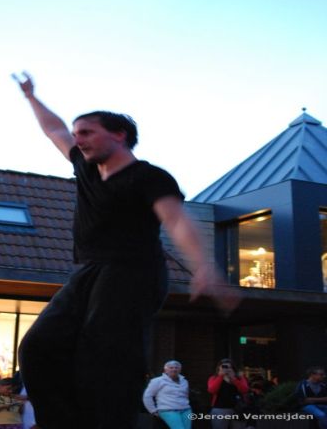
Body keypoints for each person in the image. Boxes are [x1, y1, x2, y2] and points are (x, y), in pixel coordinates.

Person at [14, 72, 240, 429]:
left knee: (106, 354)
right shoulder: (85, 168)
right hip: (88, 271)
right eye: (77, 134)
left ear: (119, 135)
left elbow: (176, 220)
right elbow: (54, 129)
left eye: (87, 132)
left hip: (134, 272)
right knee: (38, 346)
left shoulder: (149, 177)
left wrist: (203, 265)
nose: (78, 140)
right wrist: (31, 97)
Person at [143, 360, 192, 429]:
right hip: (168, 410)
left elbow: (185, 396)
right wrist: (153, 410)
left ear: (180, 370)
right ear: (165, 370)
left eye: (176, 368)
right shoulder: (157, 381)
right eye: (171, 368)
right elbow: (147, 396)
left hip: (186, 410)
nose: (174, 369)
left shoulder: (184, 381)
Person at [207, 358, 249, 429]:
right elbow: (211, 390)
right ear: (219, 368)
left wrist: (233, 378)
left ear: (233, 368)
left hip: (237, 410)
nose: (226, 369)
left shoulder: (239, 378)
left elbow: (245, 390)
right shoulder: (214, 378)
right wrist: (221, 376)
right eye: (224, 367)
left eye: (229, 367)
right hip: (219, 409)